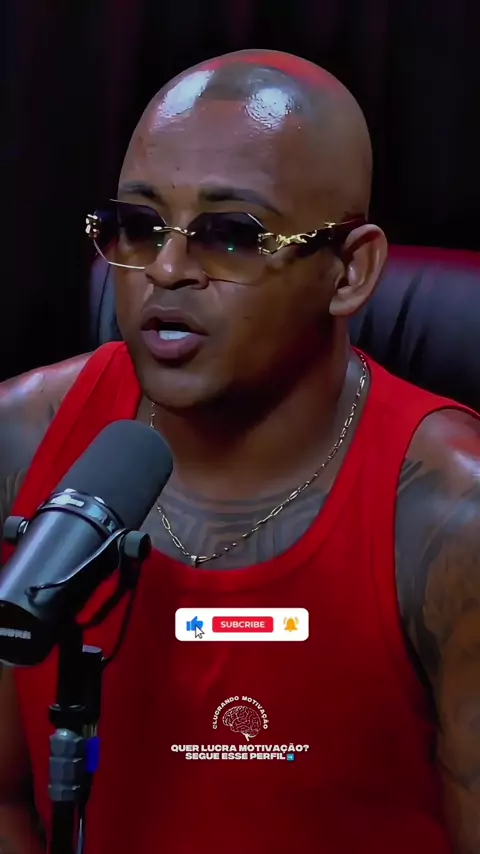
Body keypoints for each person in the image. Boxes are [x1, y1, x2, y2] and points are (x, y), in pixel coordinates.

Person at [0, 48, 478, 854]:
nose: (166, 270)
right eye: (139, 226)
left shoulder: (451, 515)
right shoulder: (20, 440)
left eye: (231, 236)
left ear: (350, 272)